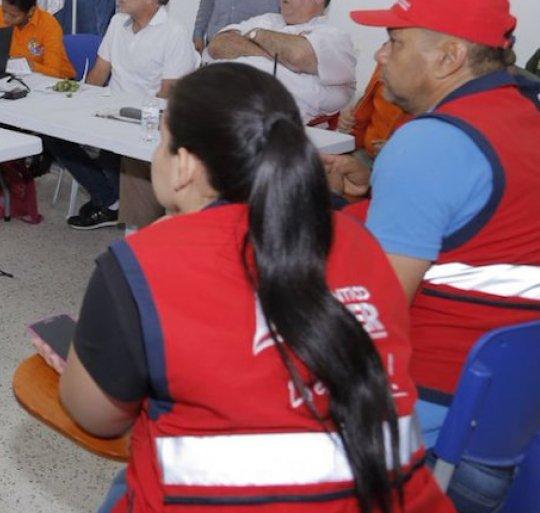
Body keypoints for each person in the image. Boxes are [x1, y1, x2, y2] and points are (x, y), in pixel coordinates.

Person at [60, 63, 452, 513]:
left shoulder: (142, 264)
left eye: (161, 141)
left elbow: (97, 417)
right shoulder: (361, 241)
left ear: (185, 165)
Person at [323, 0, 539, 510]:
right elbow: (483, 228)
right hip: (511, 422)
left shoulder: (429, 144)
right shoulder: (524, 113)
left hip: (435, 436)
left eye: (395, 41)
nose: (380, 55)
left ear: (449, 57)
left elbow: (373, 313)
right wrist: (373, 192)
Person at [46, 0, 197, 230]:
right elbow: (98, 73)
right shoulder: (118, 22)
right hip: (107, 110)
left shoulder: (174, 33)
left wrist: (134, 119)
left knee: (114, 149)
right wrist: (77, 106)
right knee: (53, 132)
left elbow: (167, 95)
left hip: (142, 120)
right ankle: (110, 200)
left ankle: (111, 202)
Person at [203, 0, 357, 121]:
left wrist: (255, 35)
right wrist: (275, 55)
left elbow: (297, 55)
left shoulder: (334, 36)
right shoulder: (268, 20)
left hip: (276, 122)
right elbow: (218, 45)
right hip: (219, 105)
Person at [0, 0, 75, 79]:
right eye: (4, 11)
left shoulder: (49, 25)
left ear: (31, 11)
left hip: (58, 82)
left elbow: (54, 73)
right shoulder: (0, 13)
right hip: (19, 78)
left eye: (13, 16)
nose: (6, 18)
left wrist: (31, 66)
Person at [336, 63, 412, 164]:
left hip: (401, 164)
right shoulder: (385, 62)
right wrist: (348, 121)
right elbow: (368, 102)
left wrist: (400, 150)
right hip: (362, 151)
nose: (378, 56)